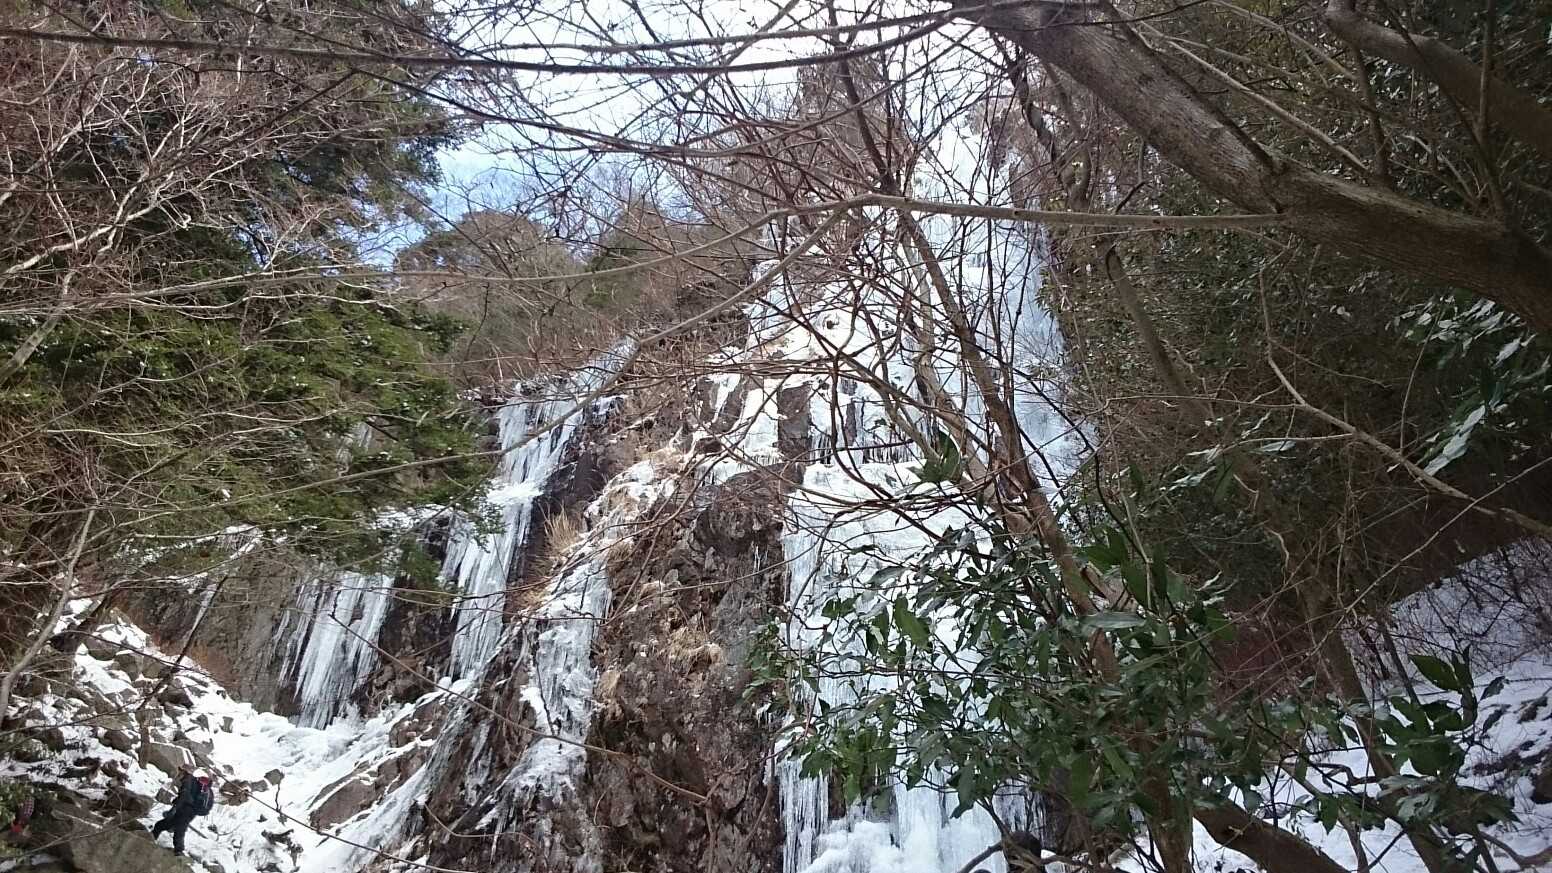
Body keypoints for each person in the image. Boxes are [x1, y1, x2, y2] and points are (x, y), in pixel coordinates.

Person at [151, 766, 213, 856]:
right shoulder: (208, 790)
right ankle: (152, 838)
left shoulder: (189, 780)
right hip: (191, 812)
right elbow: (207, 807)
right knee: (163, 825)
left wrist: (174, 807)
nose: (178, 775)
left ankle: (179, 850)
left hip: (184, 809)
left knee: (178, 829)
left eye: (180, 773)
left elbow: (184, 795)